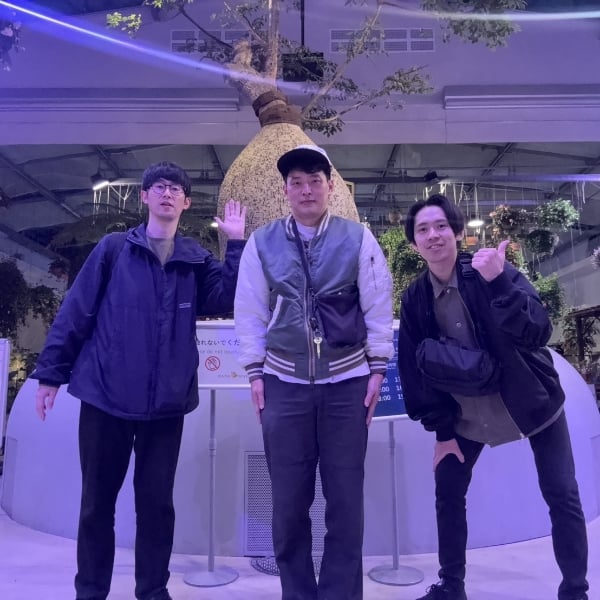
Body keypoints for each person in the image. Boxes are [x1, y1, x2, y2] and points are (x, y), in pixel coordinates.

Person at [31, 161, 246, 600]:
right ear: (145, 197)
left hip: (165, 407)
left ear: (186, 203)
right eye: (159, 187)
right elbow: (76, 312)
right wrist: (50, 374)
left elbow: (226, 297)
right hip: (105, 398)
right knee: (96, 506)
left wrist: (237, 243)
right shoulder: (113, 250)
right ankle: (90, 591)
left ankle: (152, 591)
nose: (167, 193)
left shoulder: (195, 260)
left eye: (176, 189)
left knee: (156, 507)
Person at [398, 193, 589, 600]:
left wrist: (500, 282)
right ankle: (451, 587)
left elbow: (538, 331)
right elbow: (416, 371)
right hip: (467, 415)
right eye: (422, 230)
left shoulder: (490, 271)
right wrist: (442, 432)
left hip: (533, 401)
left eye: (441, 226)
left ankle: (575, 591)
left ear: (457, 232)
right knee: (448, 491)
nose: (433, 235)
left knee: (562, 493)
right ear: (414, 244)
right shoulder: (415, 299)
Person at [234, 144, 394, 600]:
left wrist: (377, 369)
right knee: (287, 505)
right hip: (283, 385)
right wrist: (255, 372)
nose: (306, 190)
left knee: (345, 504)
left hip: (347, 384)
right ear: (286, 190)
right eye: (297, 182)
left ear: (331, 187)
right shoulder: (262, 242)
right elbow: (249, 310)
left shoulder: (357, 238)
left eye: (315, 181)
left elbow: (378, 304)